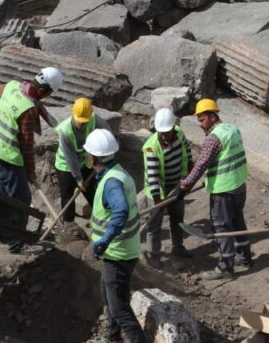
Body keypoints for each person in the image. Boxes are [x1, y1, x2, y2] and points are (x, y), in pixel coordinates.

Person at [0, 66, 63, 252]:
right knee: (21, 202)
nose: (47, 98)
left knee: (4, 197)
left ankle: (1, 234)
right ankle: (15, 243)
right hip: (8, 159)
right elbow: (27, 146)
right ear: (42, 90)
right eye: (48, 94)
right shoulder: (28, 109)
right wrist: (31, 172)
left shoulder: (11, 86)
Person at [85, 129, 147, 343]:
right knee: (109, 297)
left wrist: (104, 240)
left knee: (120, 308)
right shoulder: (118, 172)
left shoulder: (111, 182)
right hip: (120, 250)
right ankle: (112, 338)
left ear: (93, 157)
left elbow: (120, 211)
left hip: (118, 253)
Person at [178, 98, 251, 281]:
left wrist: (186, 185)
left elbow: (201, 164)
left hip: (224, 189)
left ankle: (225, 266)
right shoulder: (232, 129)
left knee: (222, 227)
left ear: (212, 116)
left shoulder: (213, 138)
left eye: (202, 120)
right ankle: (245, 257)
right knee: (237, 222)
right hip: (240, 185)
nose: (201, 125)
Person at [137, 108, 192, 267]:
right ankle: (154, 256)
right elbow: (152, 176)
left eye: (166, 132)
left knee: (177, 218)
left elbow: (186, 150)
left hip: (175, 184)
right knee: (154, 225)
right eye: (161, 132)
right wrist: (157, 198)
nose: (163, 135)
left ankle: (178, 247)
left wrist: (189, 165)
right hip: (157, 189)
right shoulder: (151, 147)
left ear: (173, 128)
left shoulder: (179, 133)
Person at [54, 97, 106, 222]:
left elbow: (106, 132)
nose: (82, 123)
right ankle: (69, 226)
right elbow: (70, 157)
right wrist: (78, 178)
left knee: (92, 193)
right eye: (80, 121)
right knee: (67, 197)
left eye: (85, 121)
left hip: (85, 163)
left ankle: (101, 219)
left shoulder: (93, 118)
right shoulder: (65, 131)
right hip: (66, 166)